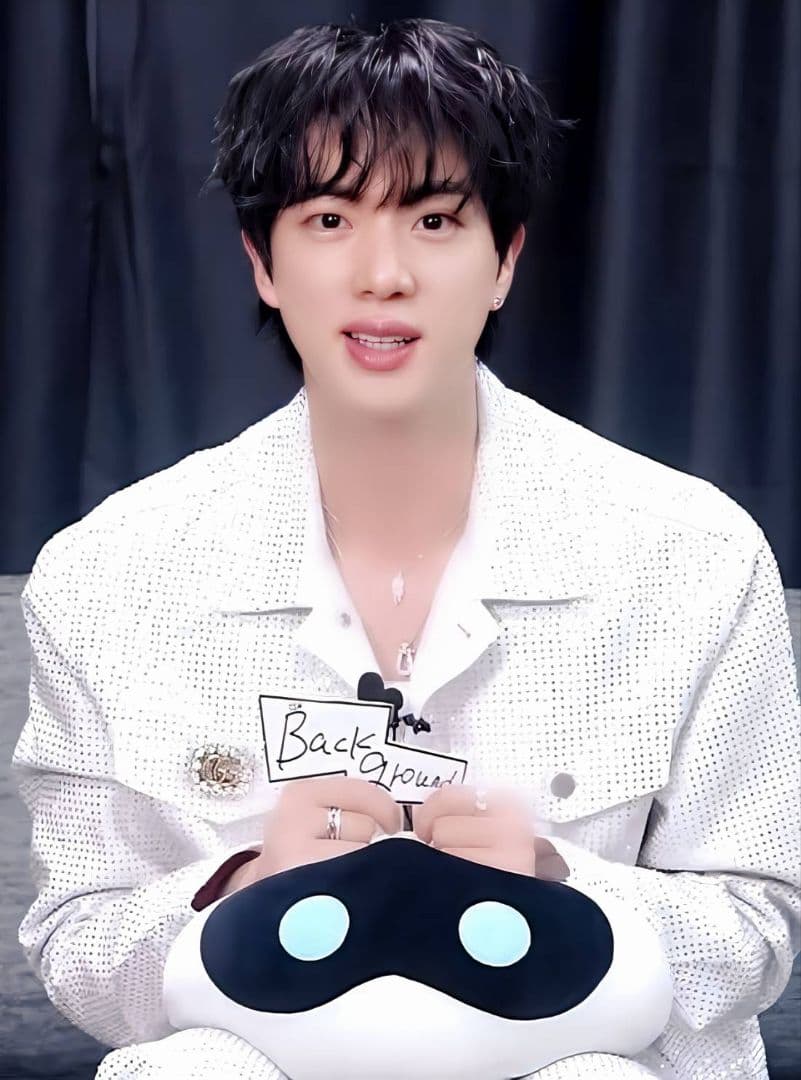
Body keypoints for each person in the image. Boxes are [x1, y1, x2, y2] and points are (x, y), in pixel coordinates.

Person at [11, 16, 800, 1080]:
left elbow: (760, 920)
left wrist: (563, 883)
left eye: (433, 219)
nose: (382, 273)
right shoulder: (107, 577)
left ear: (504, 260)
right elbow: (76, 937)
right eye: (329, 218)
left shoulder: (691, 556)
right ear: (262, 261)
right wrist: (240, 890)